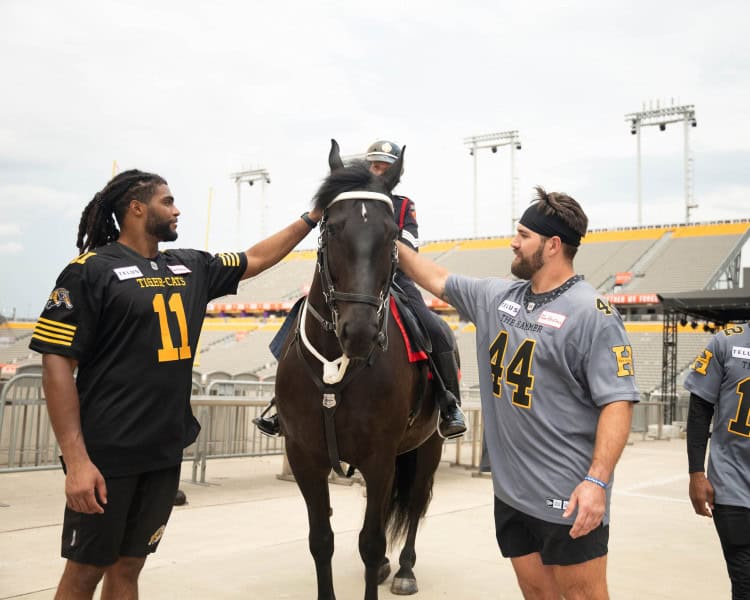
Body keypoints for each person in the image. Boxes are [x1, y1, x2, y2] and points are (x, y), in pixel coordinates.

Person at [29, 169, 321, 600]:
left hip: (164, 450)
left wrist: (311, 218)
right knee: (85, 573)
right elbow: (56, 364)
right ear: (136, 208)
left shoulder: (190, 265)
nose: (176, 208)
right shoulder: (89, 271)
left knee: (129, 568)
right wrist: (76, 461)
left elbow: (255, 258)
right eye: (167, 201)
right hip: (108, 454)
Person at [396, 186, 639, 599]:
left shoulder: (592, 314)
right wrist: (388, 235)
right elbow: (435, 278)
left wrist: (596, 483)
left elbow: (617, 401)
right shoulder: (499, 297)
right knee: (537, 595)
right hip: (511, 494)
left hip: (568, 497)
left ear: (553, 246)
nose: (513, 241)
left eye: (524, 235)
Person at [254, 139, 466, 439]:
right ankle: (281, 403)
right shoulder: (346, 200)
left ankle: (449, 403)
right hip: (351, 278)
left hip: (394, 277)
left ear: (394, 173)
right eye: (375, 164)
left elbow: (409, 244)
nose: (379, 169)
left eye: (385, 166)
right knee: (300, 317)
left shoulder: (403, 205)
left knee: (436, 327)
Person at [685, 322, 750, 599]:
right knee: (745, 581)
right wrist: (696, 473)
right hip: (732, 482)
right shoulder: (726, 342)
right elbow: (700, 408)